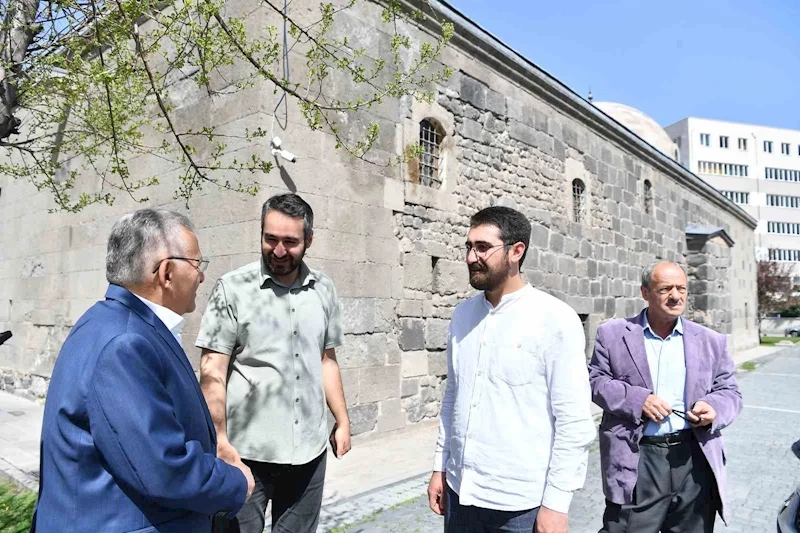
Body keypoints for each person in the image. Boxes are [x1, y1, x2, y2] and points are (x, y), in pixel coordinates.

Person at [31, 209, 254, 533]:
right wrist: (235, 482)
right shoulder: (124, 344)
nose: (202, 277)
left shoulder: (117, 324)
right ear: (166, 273)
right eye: (197, 265)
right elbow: (164, 468)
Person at [427, 206, 596, 533]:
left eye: (483, 247)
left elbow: (574, 420)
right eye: (468, 246)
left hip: (521, 506)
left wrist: (556, 504)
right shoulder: (462, 316)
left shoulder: (555, 319)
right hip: (461, 494)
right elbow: (453, 399)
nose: (471, 257)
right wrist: (440, 467)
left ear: (517, 251)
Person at [197, 193, 351, 533]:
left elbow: (327, 360)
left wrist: (342, 420)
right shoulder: (232, 289)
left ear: (308, 240)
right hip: (245, 453)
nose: (279, 251)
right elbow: (212, 370)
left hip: (308, 455)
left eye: (290, 242)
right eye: (271, 239)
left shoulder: (324, 289)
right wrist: (219, 439)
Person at [589, 261, 742, 533]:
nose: (676, 295)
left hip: (694, 457)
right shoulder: (612, 334)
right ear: (645, 292)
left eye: (681, 288)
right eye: (665, 289)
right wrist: (638, 400)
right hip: (639, 456)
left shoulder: (710, 340)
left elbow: (730, 391)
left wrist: (713, 408)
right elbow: (596, 381)